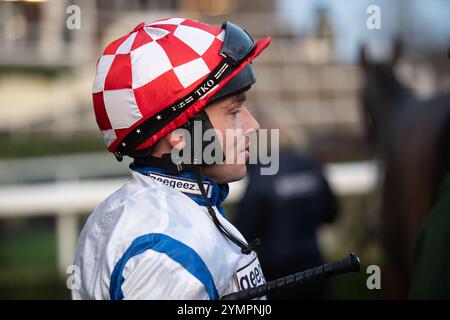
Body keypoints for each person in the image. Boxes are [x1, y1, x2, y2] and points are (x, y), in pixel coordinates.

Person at [71, 17, 271, 300]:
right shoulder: (165, 256)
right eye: (234, 112)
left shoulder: (171, 209)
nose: (254, 127)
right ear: (181, 135)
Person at [235, 149, 340, 299]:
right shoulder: (310, 165)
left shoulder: (262, 173)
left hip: (275, 276)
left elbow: (244, 229)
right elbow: (331, 214)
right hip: (314, 268)